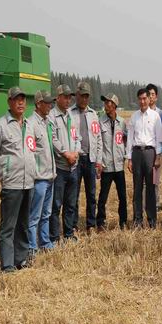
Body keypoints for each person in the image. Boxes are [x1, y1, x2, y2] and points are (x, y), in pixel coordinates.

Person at [0, 87, 37, 272]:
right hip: (12, 184)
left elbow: (33, 150)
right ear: (9, 102)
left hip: (28, 183)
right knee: (8, 226)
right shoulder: (0, 126)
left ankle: (20, 260)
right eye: (16, 99)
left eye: (23, 99)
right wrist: (5, 174)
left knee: (23, 225)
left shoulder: (29, 125)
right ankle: (7, 265)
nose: (20, 103)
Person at [49, 84, 81, 243]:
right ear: (58, 98)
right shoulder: (51, 116)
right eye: (66, 97)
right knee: (56, 205)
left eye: (70, 98)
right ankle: (54, 237)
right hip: (60, 167)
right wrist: (66, 154)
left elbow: (77, 137)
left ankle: (68, 234)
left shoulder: (71, 116)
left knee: (70, 204)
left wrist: (75, 152)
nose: (68, 100)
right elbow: (53, 139)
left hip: (73, 167)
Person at [127, 87, 162, 229]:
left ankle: (152, 220)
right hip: (136, 153)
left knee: (150, 187)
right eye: (140, 99)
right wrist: (129, 158)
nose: (142, 101)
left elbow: (159, 138)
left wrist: (158, 156)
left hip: (150, 153)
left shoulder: (155, 116)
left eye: (144, 98)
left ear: (149, 99)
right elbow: (130, 139)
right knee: (137, 187)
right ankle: (137, 220)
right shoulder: (134, 117)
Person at [69, 81, 102, 232]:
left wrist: (98, 161)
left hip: (90, 159)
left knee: (91, 194)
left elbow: (98, 138)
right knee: (73, 194)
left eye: (86, 96)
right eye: (82, 96)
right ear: (76, 95)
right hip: (75, 159)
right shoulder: (69, 113)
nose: (84, 99)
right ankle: (73, 225)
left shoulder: (93, 114)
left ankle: (90, 224)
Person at [27, 90, 56, 253]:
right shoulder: (30, 124)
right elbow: (30, 152)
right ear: (38, 104)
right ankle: (32, 247)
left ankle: (45, 242)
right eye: (47, 103)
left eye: (51, 102)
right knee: (35, 215)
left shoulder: (47, 122)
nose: (50, 105)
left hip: (50, 176)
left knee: (46, 213)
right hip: (39, 178)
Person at [97, 94, 128, 230]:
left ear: (115, 105)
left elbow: (126, 140)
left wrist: (124, 155)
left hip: (119, 166)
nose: (106, 105)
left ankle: (123, 222)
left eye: (108, 103)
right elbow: (98, 143)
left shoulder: (122, 122)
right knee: (103, 196)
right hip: (107, 165)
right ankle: (100, 222)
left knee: (122, 196)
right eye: (105, 103)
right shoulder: (100, 122)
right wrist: (99, 162)